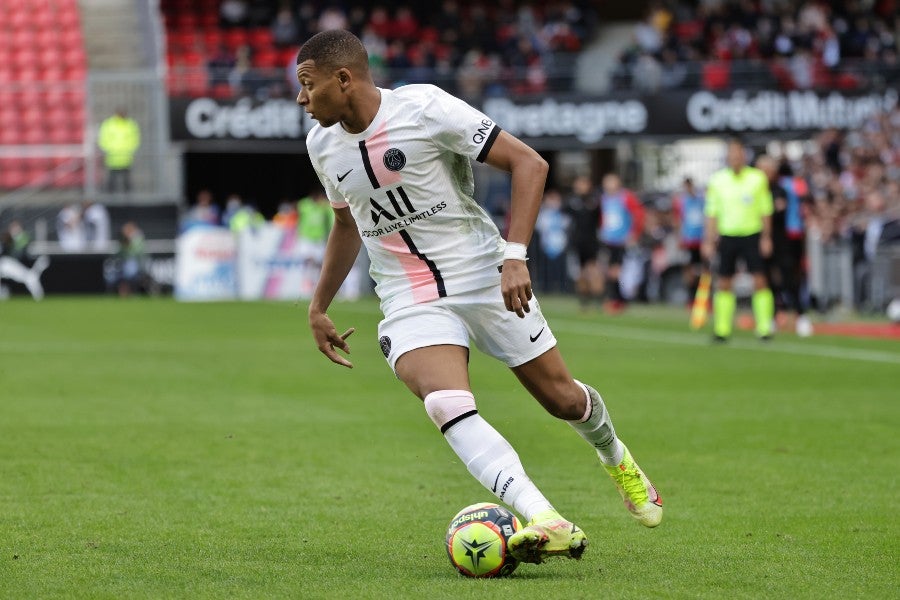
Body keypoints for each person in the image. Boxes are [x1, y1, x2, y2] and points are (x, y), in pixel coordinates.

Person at [296, 29, 662, 566]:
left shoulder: (425, 108)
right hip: (408, 294)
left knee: (562, 400)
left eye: (307, 84)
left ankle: (617, 458)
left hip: (484, 272)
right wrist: (318, 304)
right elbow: (346, 224)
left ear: (343, 78)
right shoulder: (321, 145)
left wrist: (516, 254)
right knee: (444, 401)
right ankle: (544, 517)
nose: (301, 98)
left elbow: (530, 164)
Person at [701, 139, 775, 342]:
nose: (734, 158)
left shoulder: (757, 178)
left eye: (738, 153)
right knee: (724, 281)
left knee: (759, 279)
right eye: (731, 154)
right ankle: (722, 329)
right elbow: (711, 213)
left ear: (744, 155)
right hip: (728, 236)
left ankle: (764, 328)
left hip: (752, 234)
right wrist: (708, 240)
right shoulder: (718, 180)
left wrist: (766, 237)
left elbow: (765, 209)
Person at [756, 157, 813, 336]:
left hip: (782, 241)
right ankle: (772, 316)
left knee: (790, 278)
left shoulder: (780, 189)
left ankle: (800, 315)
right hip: (760, 241)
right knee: (767, 280)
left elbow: (779, 212)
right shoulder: (756, 190)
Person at [599, 173, 644, 312]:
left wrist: (634, 234)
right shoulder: (604, 199)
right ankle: (616, 299)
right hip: (608, 240)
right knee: (611, 271)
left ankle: (617, 300)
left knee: (616, 271)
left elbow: (639, 215)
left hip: (621, 240)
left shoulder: (626, 197)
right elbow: (603, 218)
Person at [565, 175, 603, 309]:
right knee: (580, 273)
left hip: (591, 242)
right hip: (577, 243)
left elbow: (598, 219)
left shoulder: (594, 201)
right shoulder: (571, 202)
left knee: (593, 271)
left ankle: (599, 300)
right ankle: (584, 302)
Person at [671, 177, 705, 302]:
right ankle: (691, 297)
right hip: (688, 241)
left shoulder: (701, 200)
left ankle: (703, 297)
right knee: (688, 270)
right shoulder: (682, 202)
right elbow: (678, 221)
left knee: (702, 270)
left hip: (700, 240)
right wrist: (679, 237)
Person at [296, 189, 334, 298]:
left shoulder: (323, 206)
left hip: (319, 239)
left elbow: (331, 211)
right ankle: (306, 286)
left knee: (318, 264)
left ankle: (316, 287)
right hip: (306, 238)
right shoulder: (304, 205)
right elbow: (298, 215)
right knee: (308, 260)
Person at [97, 108, 141, 195]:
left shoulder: (131, 124)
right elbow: (103, 139)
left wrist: (129, 150)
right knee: (112, 182)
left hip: (126, 157)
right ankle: (111, 200)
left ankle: (128, 201)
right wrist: (109, 149)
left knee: (126, 182)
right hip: (113, 157)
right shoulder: (109, 124)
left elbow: (135, 139)